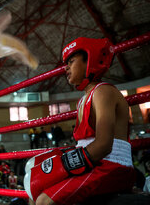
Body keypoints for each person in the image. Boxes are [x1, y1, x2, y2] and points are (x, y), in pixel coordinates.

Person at [24, 37, 135, 204]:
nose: (66, 67)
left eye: (72, 61)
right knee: (34, 186)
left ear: (89, 60)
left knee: (43, 201)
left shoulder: (103, 92)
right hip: (94, 162)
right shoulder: (83, 100)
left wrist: (65, 164)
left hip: (113, 166)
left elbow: (104, 145)